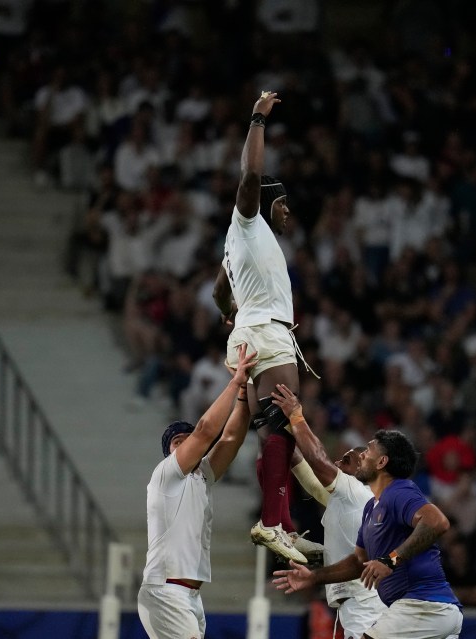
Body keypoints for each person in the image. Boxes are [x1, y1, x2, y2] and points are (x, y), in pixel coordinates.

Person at [212, 90, 314, 564]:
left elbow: (218, 291)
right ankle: (273, 522)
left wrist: (231, 317)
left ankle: (285, 527)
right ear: (267, 204)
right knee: (285, 422)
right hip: (267, 333)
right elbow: (251, 175)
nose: (288, 211)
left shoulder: (240, 248)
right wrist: (257, 117)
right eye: (284, 203)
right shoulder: (249, 223)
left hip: (250, 333)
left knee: (271, 431)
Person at [272, 429, 463, 639]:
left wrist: (391, 560)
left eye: (368, 450)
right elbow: (358, 562)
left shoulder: (396, 491)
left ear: (381, 462)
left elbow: (438, 522)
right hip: (428, 612)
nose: (361, 454)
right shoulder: (371, 508)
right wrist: (314, 576)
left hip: (423, 607)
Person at [137, 344, 255, 639]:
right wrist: (234, 381)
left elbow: (230, 439)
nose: (187, 443)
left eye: (187, 439)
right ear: (168, 453)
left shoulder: (202, 476)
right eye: (178, 441)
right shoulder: (165, 475)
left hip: (188, 596)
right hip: (166, 591)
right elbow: (206, 431)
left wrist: (243, 395)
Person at [271, 383, 388, 638]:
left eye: (345, 460)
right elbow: (311, 478)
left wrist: (296, 415)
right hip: (363, 607)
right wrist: (277, 430)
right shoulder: (358, 499)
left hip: (366, 609)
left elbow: (317, 460)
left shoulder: (358, 492)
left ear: (364, 469)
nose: (337, 463)